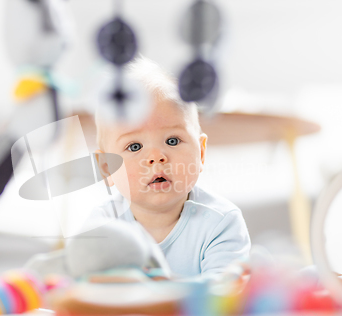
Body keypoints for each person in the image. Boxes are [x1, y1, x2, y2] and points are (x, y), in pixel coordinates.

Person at [92, 56, 251, 278]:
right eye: (135, 146)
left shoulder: (221, 222)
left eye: (173, 141)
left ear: (202, 152)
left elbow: (223, 296)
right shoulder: (102, 225)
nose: (156, 157)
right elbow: (89, 290)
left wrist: (164, 291)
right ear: (107, 168)